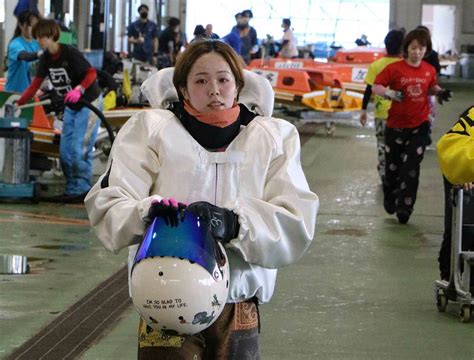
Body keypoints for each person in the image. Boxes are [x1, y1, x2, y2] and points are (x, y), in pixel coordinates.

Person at [84, 39, 318, 359]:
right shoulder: (150, 130)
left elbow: (297, 217)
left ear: (238, 86)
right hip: (163, 301)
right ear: (182, 88)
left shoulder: (273, 137)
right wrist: (146, 213)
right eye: (201, 80)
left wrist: (235, 222)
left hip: (238, 301)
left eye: (223, 80)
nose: (214, 90)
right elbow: (108, 201)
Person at [16, 19, 102, 203]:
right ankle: (72, 187)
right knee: (65, 151)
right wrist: (17, 103)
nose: (39, 40)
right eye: (37, 37)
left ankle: (84, 189)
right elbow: (34, 86)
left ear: (51, 36)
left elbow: (91, 73)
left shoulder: (69, 52)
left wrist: (79, 89)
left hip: (89, 102)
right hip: (71, 105)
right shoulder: (46, 59)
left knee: (79, 147)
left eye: (42, 37)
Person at [372, 28, 452, 224]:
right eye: (413, 48)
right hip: (396, 125)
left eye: (421, 48)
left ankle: (405, 208)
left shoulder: (429, 70)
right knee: (392, 167)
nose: (417, 52)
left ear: (426, 50)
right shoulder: (394, 69)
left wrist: (440, 92)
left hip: (420, 125)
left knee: (411, 167)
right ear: (406, 48)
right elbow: (376, 86)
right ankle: (391, 197)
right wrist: (390, 94)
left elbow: (430, 87)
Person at [359, 29, 405, 183]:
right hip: (402, 116)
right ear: (402, 47)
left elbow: (368, 90)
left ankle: (385, 175)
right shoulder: (405, 65)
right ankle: (398, 174)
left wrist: (363, 110)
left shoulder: (376, 65)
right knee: (400, 146)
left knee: (382, 145)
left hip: (381, 115)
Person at [436, 106, 474, 282]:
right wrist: (466, 175)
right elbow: (454, 148)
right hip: (459, 165)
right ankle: (449, 274)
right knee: (459, 226)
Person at [5, 11, 41, 93]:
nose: (33, 28)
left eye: (35, 25)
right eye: (29, 25)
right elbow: (25, 56)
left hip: (30, 93)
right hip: (14, 93)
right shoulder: (15, 44)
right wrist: (39, 54)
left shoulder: (37, 43)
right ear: (20, 25)